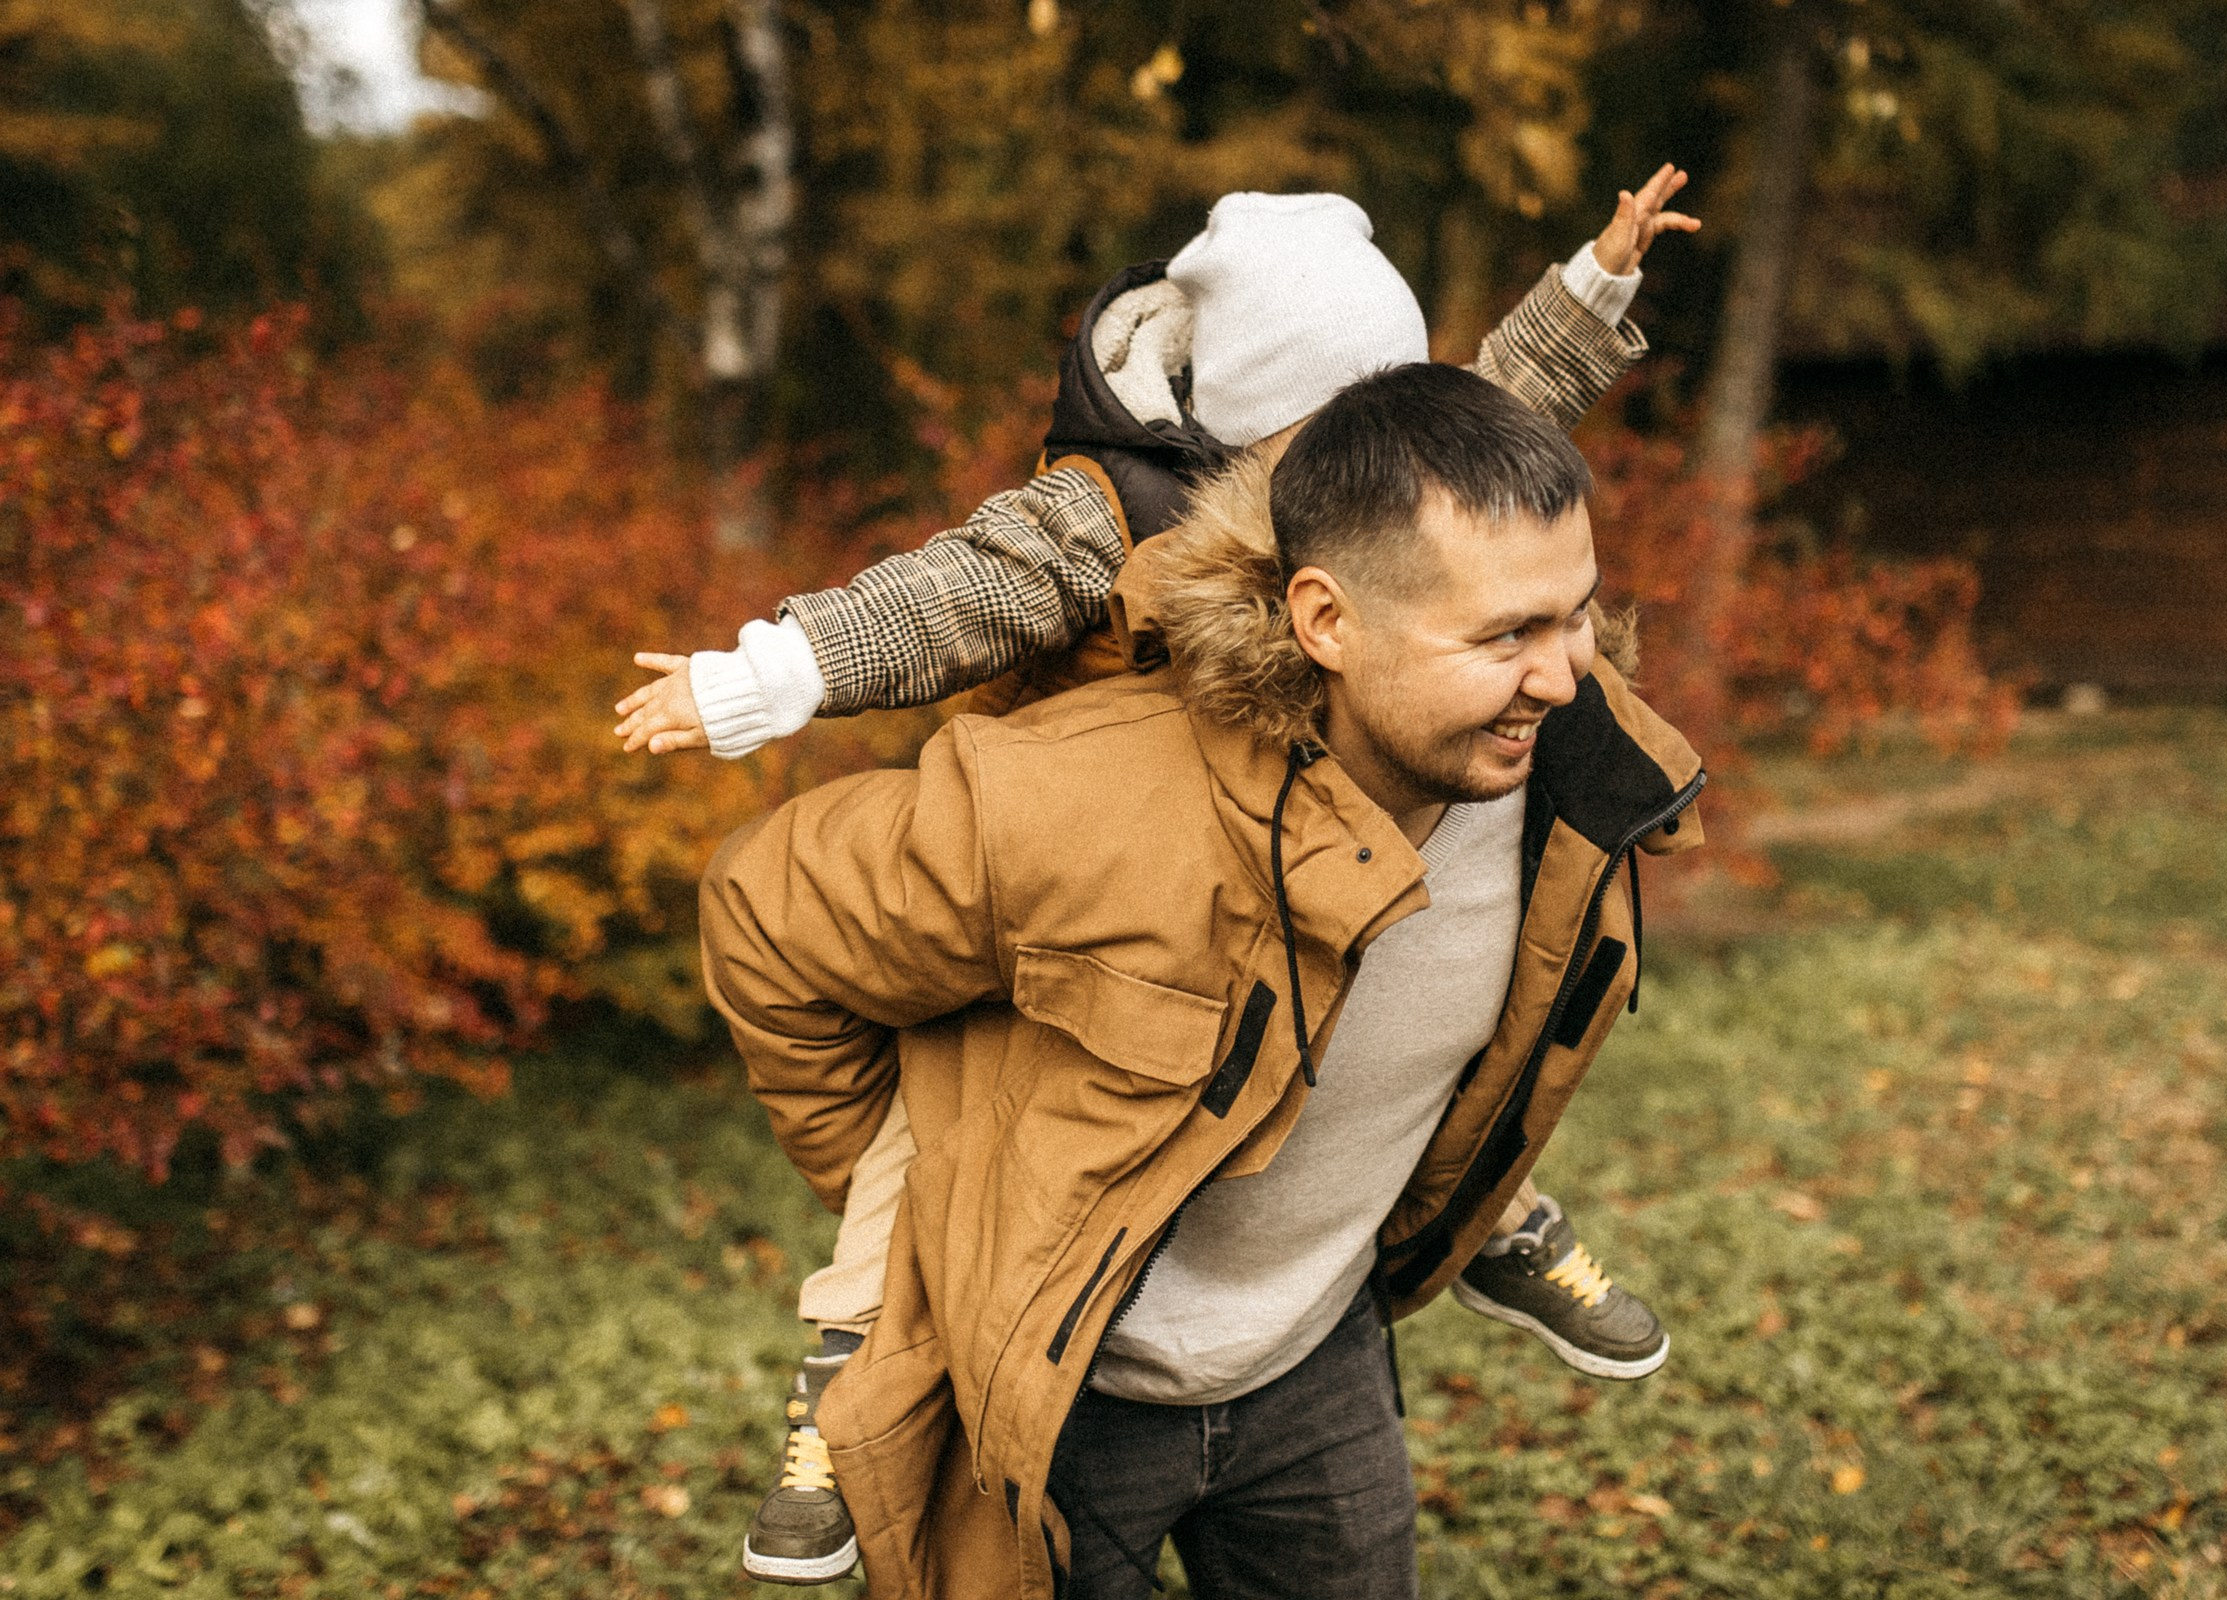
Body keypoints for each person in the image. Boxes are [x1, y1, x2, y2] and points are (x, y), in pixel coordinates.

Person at [627, 172, 1700, 1586]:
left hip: (1313, 1350)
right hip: (1072, 929)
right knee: (931, 1165)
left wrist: (1597, 284)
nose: (1390, 457)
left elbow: (1505, 393)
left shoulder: (1428, 541)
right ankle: (864, 1342)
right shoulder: (1108, 518)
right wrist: (759, 678)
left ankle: (1489, 1210)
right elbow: (944, 598)